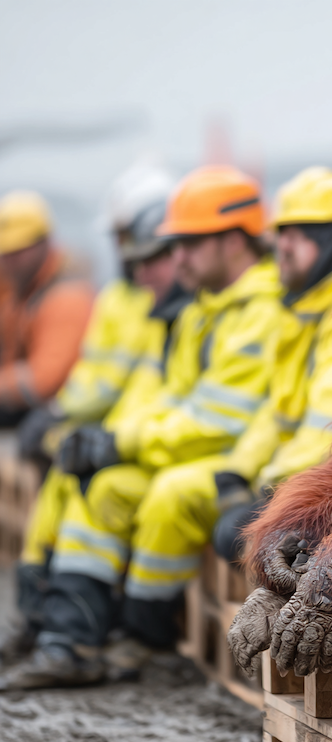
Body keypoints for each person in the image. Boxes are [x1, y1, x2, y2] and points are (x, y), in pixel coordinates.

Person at [0, 166, 283, 688]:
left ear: (231, 240)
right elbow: (166, 397)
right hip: (188, 450)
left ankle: (141, 636)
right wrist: (104, 441)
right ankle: (68, 637)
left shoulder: (261, 312)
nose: (175, 260)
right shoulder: (205, 309)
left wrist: (122, 441)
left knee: (154, 490)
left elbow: (221, 422)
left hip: (227, 464)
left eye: (186, 245)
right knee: (101, 484)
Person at [1, 200, 191, 667]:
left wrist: (116, 442)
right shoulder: (173, 312)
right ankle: (52, 626)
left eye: (153, 257)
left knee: (112, 487)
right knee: (71, 476)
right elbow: (141, 394)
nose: (138, 268)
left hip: (201, 460)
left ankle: (120, 634)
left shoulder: (199, 314)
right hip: (156, 440)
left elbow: (226, 417)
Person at [210, 167, 332, 563]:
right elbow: (281, 411)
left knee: (235, 535)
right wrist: (240, 469)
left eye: (295, 236)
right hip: (295, 478)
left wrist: (271, 491)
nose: (279, 246)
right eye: (279, 233)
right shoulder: (301, 309)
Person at [17, 166, 176, 465]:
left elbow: (119, 384)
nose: (121, 248)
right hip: (113, 426)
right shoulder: (117, 297)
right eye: (118, 237)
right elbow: (96, 376)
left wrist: (66, 417)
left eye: (127, 236)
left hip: (129, 433)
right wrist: (58, 412)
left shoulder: (162, 303)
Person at [0, 192, 94, 426]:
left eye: (18, 251)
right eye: (5, 252)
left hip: (53, 412)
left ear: (44, 242)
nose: (10, 260)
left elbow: (44, 382)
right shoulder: (20, 283)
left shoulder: (68, 296)